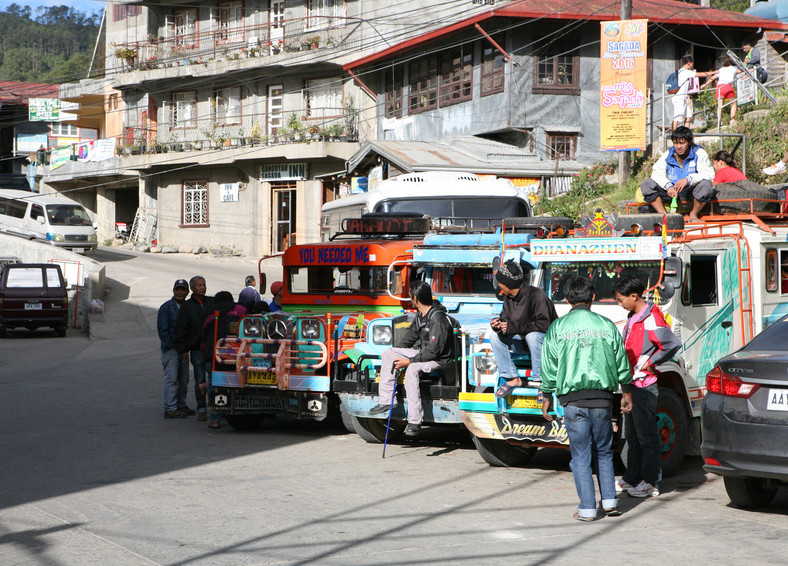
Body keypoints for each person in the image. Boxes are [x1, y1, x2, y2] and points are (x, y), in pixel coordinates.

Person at [540, 276, 633, 521]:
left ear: (567, 299)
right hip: (603, 399)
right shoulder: (607, 325)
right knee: (603, 451)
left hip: (572, 401)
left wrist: (546, 395)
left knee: (580, 455)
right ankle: (611, 503)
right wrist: (626, 392)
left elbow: (548, 366)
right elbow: (621, 361)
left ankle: (588, 509)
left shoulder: (557, 328)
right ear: (592, 297)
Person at [613, 277, 681, 499]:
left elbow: (671, 343)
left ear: (634, 296)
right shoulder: (634, 316)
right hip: (631, 384)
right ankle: (632, 478)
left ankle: (651, 482)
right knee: (631, 435)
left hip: (643, 385)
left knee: (647, 437)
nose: (619, 304)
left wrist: (651, 363)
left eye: (621, 299)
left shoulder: (651, 317)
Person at [368, 280, 454, 436]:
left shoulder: (438, 318)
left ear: (416, 298)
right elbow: (409, 338)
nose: (409, 298)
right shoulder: (420, 316)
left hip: (438, 359)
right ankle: (387, 401)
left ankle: (415, 421)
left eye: (410, 296)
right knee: (389, 353)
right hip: (424, 354)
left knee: (412, 369)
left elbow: (435, 351)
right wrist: (397, 354)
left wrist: (408, 362)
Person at [489, 259, 558, 397]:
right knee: (494, 336)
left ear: (508, 284)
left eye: (501, 283)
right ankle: (513, 378)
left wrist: (513, 327)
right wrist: (498, 325)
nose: (499, 286)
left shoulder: (537, 296)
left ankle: (541, 382)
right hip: (521, 343)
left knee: (532, 336)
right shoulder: (508, 298)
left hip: (544, 345)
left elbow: (545, 325)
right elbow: (506, 320)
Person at [640, 126, 715, 222]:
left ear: (689, 142)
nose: (679, 147)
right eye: (676, 143)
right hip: (671, 192)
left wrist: (688, 179)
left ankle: (693, 214)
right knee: (647, 184)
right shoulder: (668, 154)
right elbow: (656, 173)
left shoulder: (699, 153)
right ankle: (664, 215)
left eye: (682, 143)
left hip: (691, 191)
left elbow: (708, 174)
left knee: (706, 185)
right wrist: (668, 186)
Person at [202, 291, 247, 429]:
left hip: (213, 355)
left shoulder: (211, 313)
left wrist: (204, 353)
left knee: (213, 385)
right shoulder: (240, 310)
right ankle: (231, 412)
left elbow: (204, 336)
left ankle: (214, 419)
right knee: (236, 383)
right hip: (235, 355)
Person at [173, 276, 214, 422]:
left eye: (204, 284)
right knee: (200, 379)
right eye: (199, 285)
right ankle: (201, 408)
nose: (202, 287)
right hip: (196, 350)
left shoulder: (212, 302)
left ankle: (214, 407)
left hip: (211, 348)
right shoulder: (187, 306)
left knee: (213, 379)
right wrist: (184, 349)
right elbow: (181, 328)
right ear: (192, 288)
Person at [157, 279, 193, 419]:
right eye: (177, 289)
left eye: (182, 289)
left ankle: (180, 404)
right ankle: (170, 408)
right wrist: (176, 347)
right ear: (173, 291)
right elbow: (163, 331)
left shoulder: (187, 307)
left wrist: (185, 348)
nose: (180, 292)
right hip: (171, 350)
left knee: (184, 379)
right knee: (172, 379)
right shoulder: (166, 308)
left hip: (183, 350)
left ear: (187, 292)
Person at [672, 55, 716, 131]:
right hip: (679, 98)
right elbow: (699, 75)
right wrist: (713, 72)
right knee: (677, 117)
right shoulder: (685, 72)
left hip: (683, 98)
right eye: (692, 64)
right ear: (689, 63)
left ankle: (685, 133)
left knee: (688, 115)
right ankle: (673, 134)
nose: (692, 66)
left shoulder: (680, 71)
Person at [715, 58, 741, 125]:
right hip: (727, 86)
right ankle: (732, 120)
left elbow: (713, 77)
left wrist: (705, 84)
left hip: (719, 87)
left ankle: (719, 121)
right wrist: (750, 70)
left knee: (720, 105)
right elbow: (740, 71)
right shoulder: (733, 68)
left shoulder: (721, 69)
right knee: (733, 103)